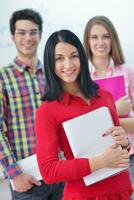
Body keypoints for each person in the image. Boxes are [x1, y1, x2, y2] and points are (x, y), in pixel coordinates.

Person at [35, 29, 133, 200]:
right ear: (50, 64)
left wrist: (124, 142)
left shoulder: (105, 96)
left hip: (122, 190)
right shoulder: (47, 111)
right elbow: (48, 171)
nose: (68, 64)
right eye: (59, 58)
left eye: (74, 56)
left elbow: (119, 150)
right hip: (85, 196)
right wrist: (101, 162)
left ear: (81, 56)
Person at [0, 8, 64, 200]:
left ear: (40, 34)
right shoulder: (3, 77)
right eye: (21, 32)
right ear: (13, 36)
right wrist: (14, 174)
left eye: (33, 31)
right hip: (28, 180)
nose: (28, 37)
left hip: (60, 173)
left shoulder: (54, 74)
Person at [83, 15, 134, 184]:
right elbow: (84, 124)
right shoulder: (81, 79)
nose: (100, 42)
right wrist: (116, 110)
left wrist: (105, 119)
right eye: (94, 37)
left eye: (105, 36)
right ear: (87, 42)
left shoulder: (127, 72)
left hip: (129, 155)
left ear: (113, 39)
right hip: (97, 158)